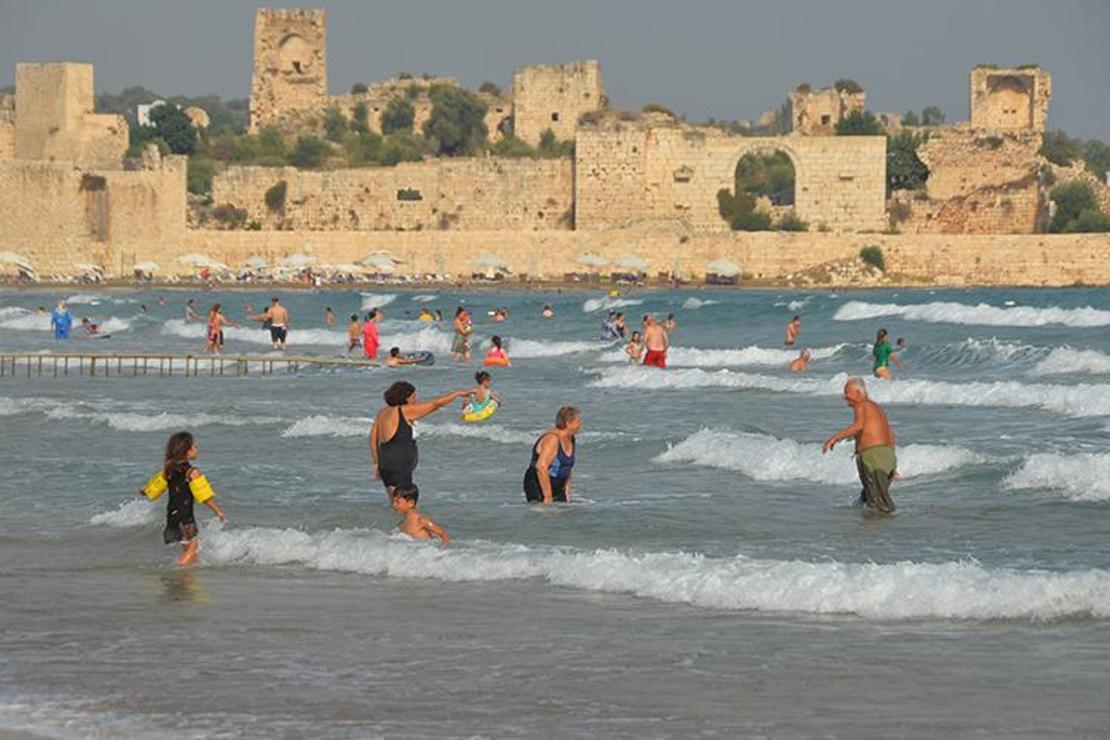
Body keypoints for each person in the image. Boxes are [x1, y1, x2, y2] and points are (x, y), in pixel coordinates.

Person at [139, 431, 228, 566]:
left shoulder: (168, 469)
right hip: (185, 516)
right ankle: (178, 572)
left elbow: (154, 487)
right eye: (194, 446)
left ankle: (186, 579)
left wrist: (143, 491)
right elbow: (204, 496)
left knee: (187, 547)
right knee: (193, 547)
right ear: (186, 450)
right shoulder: (192, 472)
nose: (197, 449)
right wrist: (218, 512)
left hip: (172, 515)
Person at [370, 381, 468, 500]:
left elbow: (373, 437)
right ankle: (410, 519)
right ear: (405, 398)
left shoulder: (383, 412)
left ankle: (398, 518)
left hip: (385, 462)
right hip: (399, 463)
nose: (415, 400)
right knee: (405, 501)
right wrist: (457, 394)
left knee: (395, 500)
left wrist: (376, 462)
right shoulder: (405, 410)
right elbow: (435, 404)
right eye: (413, 397)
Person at [822, 377, 898, 515]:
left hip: (873, 457)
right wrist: (892, 465)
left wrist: (834, 438)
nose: (844, 396)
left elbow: (858, 426)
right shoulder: (875, 407)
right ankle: (868, 531)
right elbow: (890, 434)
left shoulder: (862, 404)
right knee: (868, 498)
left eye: (847, 392)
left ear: (858, 393)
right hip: (886, 456)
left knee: (880, 505)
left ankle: (886, 532)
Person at [523, 406, 580, 504]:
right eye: (578, 421)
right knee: (545, 515)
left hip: (558, 485)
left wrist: (567, 492)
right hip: (538, 484)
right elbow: (541, 466)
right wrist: (547, 496)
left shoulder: (571, 438)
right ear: (568, 423)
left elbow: (567, 467)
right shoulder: (552, 439)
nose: (580, 424)